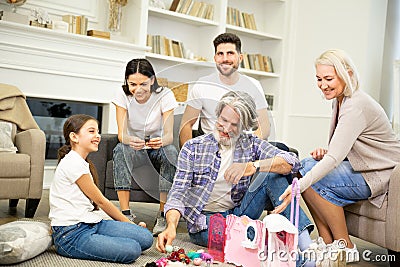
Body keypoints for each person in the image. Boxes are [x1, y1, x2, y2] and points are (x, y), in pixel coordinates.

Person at [157, 91, 314, 266]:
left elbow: (291, 161)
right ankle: (294, 257)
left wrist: (252, 166)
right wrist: (171, 226)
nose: (226, 128)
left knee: (272, 174)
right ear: (217, 115)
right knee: (248, 240)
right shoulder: (193, 148)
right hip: (207, 221)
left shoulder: (250, 143)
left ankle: (306, 246)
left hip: (240, 212)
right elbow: (178, 192)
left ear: (244, 127)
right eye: (223, 120)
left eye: (234, 125)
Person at [277, 49, 400, 263]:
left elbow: (334, 159)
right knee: (304, 166)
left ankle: (345, 245)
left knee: (310, 177)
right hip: (363, 166)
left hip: (380, 173)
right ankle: (327, 241)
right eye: (318, 79)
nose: (323, 84)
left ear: (348, 74)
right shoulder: (340, 100)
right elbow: (341, 148)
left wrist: (299, 185)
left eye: (328, 78)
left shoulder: (356, 105)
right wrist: (326, 152)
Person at [49, 114, 153, 264]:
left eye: (98, 131)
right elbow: (102, 202)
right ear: (74, 137)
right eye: (91, 131)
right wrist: (128, 225)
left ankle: (110, 240)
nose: (98, 136)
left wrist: (130, 229)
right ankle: (108, 241)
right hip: (71, 234)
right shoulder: (72, 163)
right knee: (133, 249)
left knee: (145, 237)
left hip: (92, 222)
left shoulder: (81, 162)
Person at [112, 58, 178, 236]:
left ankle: (162, 214)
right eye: (133, 84)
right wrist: (129, 140)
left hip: (156, 148)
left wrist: (161, 141)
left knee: (170, 152)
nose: (138, 89)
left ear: (153, 80)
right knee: (120, 150)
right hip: (134, 148)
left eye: (143, 84)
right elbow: (121, 134)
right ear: (126, 81)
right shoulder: (121, 94)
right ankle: (126, 215)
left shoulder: (165, 95)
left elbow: (169, 136)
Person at [179, 32, 272, 147]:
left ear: (240, 57)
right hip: (213, 147)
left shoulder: (254, 85)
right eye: (220, 54)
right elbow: (186, 125)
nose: (225, 59)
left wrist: (247, 148)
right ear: (215, 58)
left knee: (284, 154)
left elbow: (264, 126)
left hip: (245, 147)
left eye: (230, 53)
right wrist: (189, 156)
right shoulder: (202, 85)